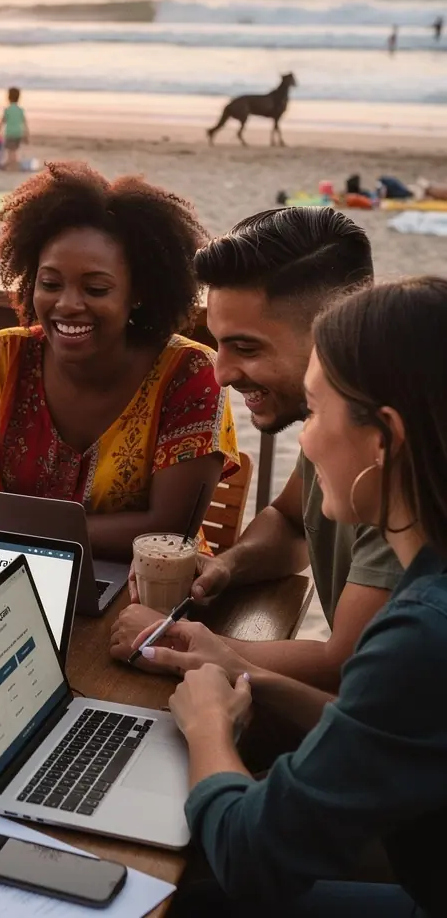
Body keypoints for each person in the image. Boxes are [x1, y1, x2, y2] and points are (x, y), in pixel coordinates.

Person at [147, 277, 447, 918]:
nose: (305, 441)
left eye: (315, 412)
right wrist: (248, 673)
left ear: (384, 439)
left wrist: (207, 728)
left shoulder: (423, 631)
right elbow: (386, 730)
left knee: (198, 901)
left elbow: (254, 857)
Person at [111, 207, 401, 696]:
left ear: (336, 329)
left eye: (246, 348)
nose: (221, 373)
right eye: (218, 344)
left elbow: (348, 662)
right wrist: (229, 564)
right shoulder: (336, 414)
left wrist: (184, 643)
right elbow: (291, 525)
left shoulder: (390, 450)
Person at [0, 163, 239, 560]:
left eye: (95, 288)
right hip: (21, 576)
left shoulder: (190, 373)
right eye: (50, 284)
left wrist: (17, 528)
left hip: (150, 590)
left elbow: (168, 530)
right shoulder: (2, 358)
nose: (67, 305)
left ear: (139, 292)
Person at [0, 87, 29, 170]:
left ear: (8, 97)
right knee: (13, 150)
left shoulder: (7, 110)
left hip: (10, 133)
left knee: (11, 151)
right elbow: (25, 123)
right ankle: (8, 164)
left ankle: (13, 166)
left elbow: (2, 122)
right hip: (19, 133)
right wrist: (26, 134)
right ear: (19, 98)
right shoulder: (20, 110)